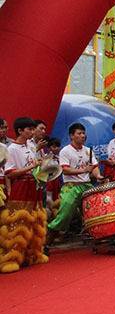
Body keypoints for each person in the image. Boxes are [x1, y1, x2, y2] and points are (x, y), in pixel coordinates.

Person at [1, 117, 49, 273]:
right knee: (18, 223)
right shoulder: (11, 149)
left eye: (33, 129)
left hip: (34, 186)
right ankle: (10, 258)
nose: (32, 132)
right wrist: (32, 166)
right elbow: (10, 173)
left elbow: (35, 166)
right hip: (21, 187)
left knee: (36, 220)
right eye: (29, 129)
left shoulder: (31, 146)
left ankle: (32, 254)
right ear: (20, 131)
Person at [47, 123, 102, 241]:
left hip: (86, 185)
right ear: (72, 136)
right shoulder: (65, 151)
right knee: (65, 213)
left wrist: (98, 176)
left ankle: (97, 235)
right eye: (79, 133)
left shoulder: (88, 151)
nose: (82, 136)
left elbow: (94, 167)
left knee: (95, 210)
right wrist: (84, 170)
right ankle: (50, 235)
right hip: (71, 186)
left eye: (83, 133)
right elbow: (65, 170)